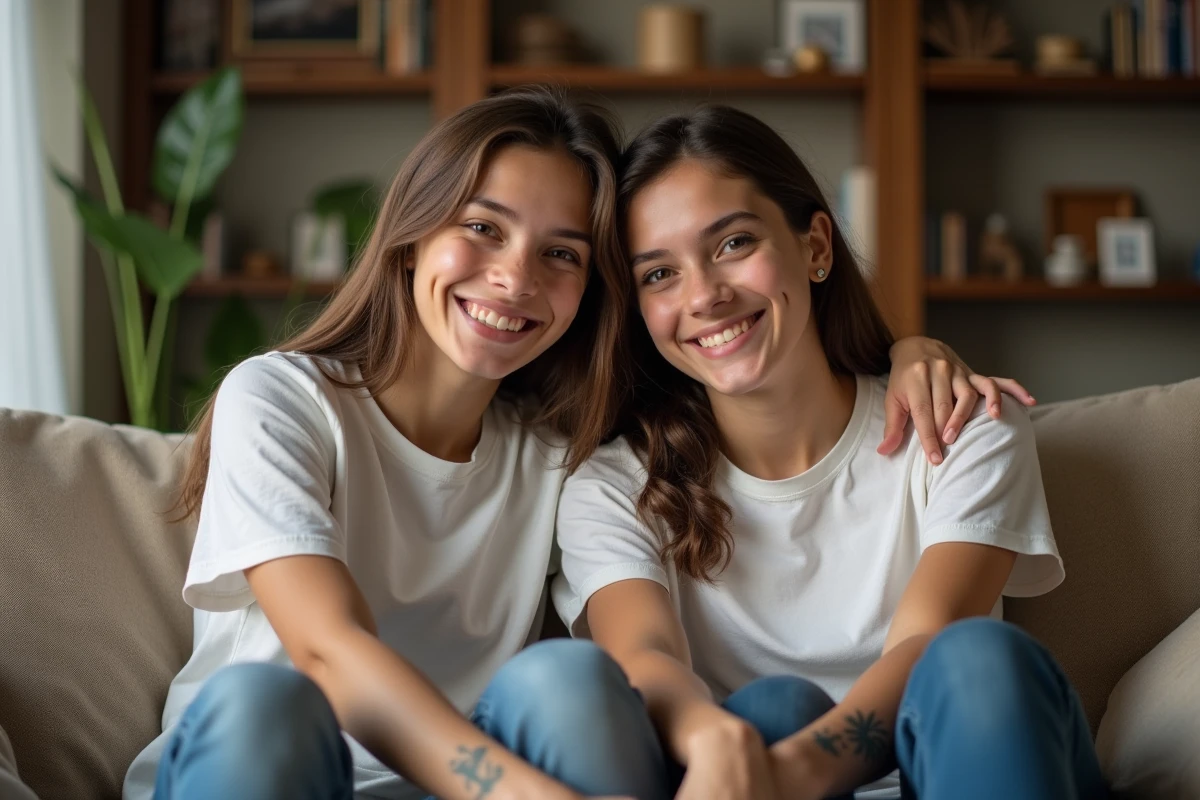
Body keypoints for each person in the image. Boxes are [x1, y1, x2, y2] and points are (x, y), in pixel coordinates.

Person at [124, 89, 1028, 800]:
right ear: (408, 240)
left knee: (574, 679)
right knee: (264, 703)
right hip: (272, 765)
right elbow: (326, 652)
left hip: (464, 784)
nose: (514, 276)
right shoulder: (280, 399)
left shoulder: (562, 449)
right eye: (481, 228)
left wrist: (915, 351)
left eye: (562, 254)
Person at [552, 105, 1106, 800]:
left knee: (980, 656)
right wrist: (731, 756)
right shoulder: (613, 484)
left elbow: (929, 639)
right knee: (770, 710)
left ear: (816, 246)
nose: (705, 295)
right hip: (746, 773)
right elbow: (642, 656)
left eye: (732, 244)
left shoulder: (964, 423)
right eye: (659, 275)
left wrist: (794, 774)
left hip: (953, 770)